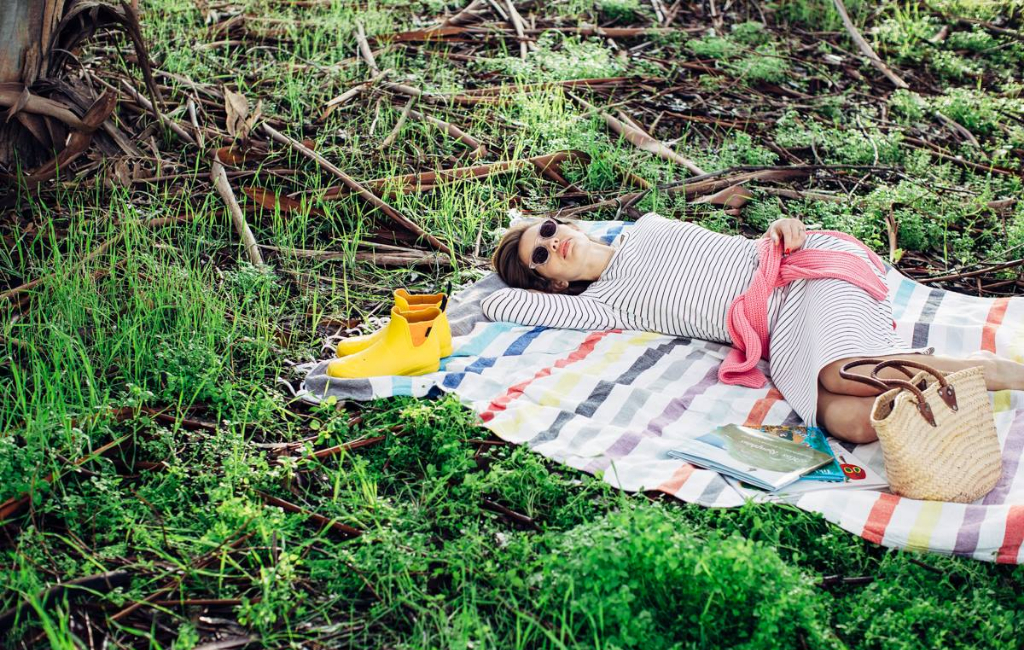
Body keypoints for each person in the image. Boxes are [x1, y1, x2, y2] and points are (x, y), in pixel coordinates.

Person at [482, 213, 1024, 444]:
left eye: (549, 230)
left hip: (801, 270)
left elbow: (739, 251)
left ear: (569, 222)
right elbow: (501, 308)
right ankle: (953, 408)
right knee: (843, 418)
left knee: (841, 372)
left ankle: (1002, 372)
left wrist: (784, 228)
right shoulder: (599, 305)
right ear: (550, 284)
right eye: (541, 256)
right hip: (779, 333)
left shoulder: (647, 228)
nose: (554, 243)